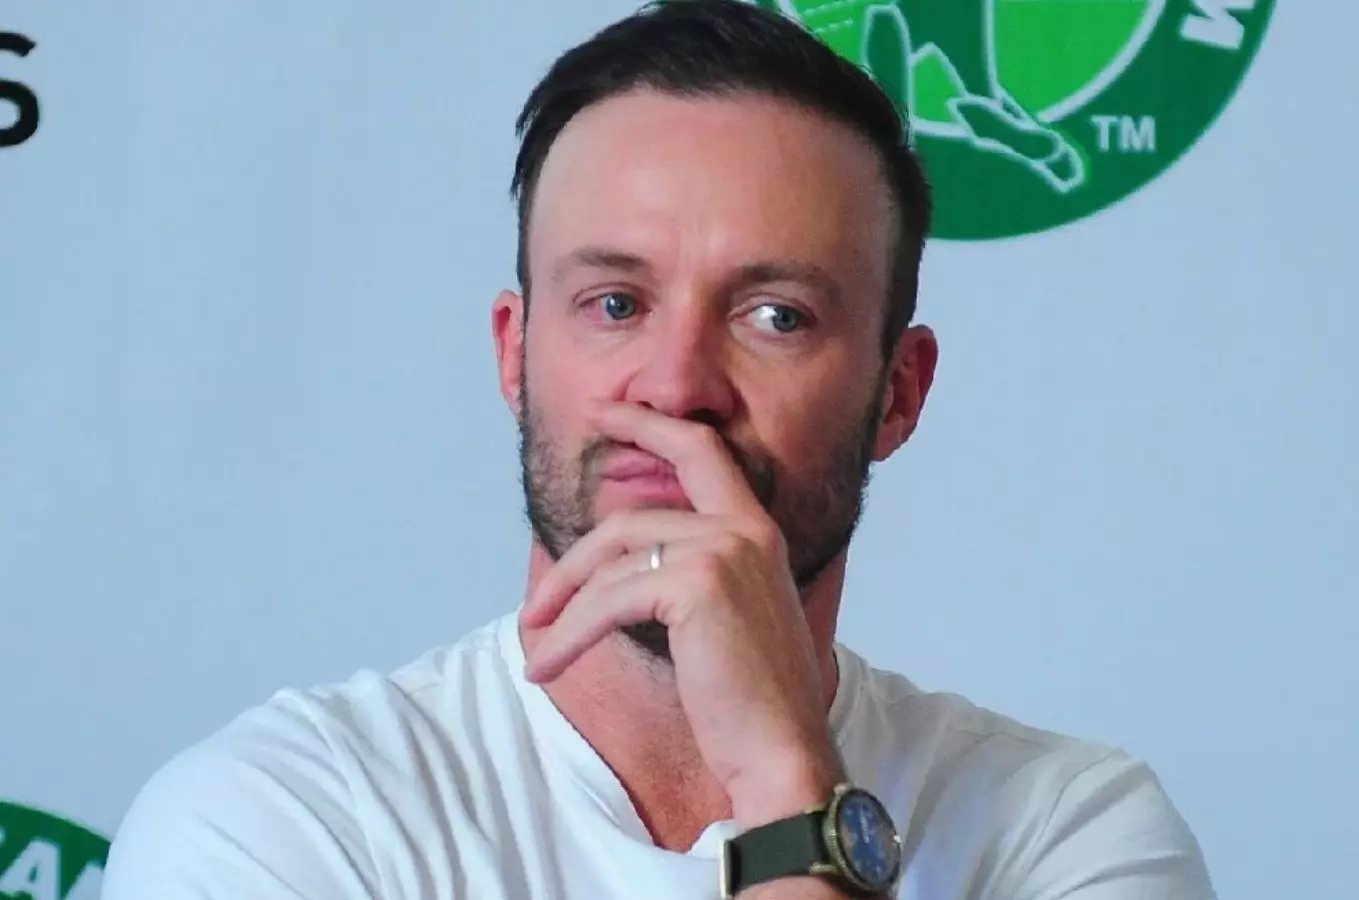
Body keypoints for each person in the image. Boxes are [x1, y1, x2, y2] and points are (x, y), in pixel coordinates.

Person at [100, 2, 1217, 897]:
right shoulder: (285, 816)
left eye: (775, 316)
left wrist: (782, 773)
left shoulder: (1065, 831)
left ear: (899, 394)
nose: (677, 386)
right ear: (515, 354)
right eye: (615, 304)